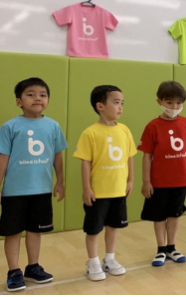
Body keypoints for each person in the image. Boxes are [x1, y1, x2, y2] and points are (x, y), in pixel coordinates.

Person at [0, 78, 68, 292]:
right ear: (19, 101)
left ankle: (33, 267)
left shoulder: (53, 126)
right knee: (12, 232)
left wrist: (60, 181)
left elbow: (57, 156)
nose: (38, 98)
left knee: (35, 230)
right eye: (31, 94)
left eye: (43, 94)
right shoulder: (9, 127)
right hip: (14, 192)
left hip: (42, 190)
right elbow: (3, 159)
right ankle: (14, 271)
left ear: (47, 100)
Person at [74, 85, 136, 281]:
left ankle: (109, 259)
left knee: (113, 226)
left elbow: (130, 156)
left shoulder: (124, 130)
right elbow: (85, 162)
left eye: (122, 103)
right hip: (98, 192)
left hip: (118, 190)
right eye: (116, 102)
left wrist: (131, 180)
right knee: (94, 229)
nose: (120, 107)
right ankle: (92, 261)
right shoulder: (90, 133)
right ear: (100, 106)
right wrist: (87, 188)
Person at [138, 81, 186, 266]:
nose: (174, 107)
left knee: (175, 215)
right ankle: (161, 249)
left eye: (178, 103)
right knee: (159, 216)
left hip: (180, 180)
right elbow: (147, 156)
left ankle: (172, 247)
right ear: (159, 101)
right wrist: (146, 181)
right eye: (169, 102)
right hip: (159, 182)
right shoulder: (152, 126)